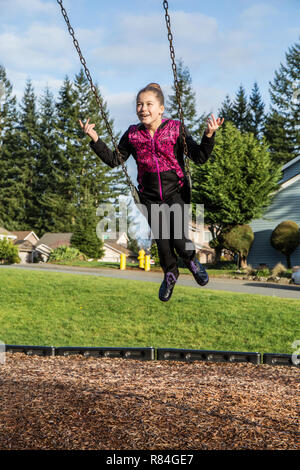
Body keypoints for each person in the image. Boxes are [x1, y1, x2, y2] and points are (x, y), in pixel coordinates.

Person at [79, 83, 224, 301]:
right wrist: (96, 139)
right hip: (150, 195)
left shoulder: (176, 128)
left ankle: (191, 262)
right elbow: (114, 160)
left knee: (176, 237)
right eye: (139, 104)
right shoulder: (133, 134)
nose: (143, 108)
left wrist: (209, 134)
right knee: (163, 242)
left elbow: (199, 156)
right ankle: (171, 274)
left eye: (149, 104)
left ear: (161, 109)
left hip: (176, 191)